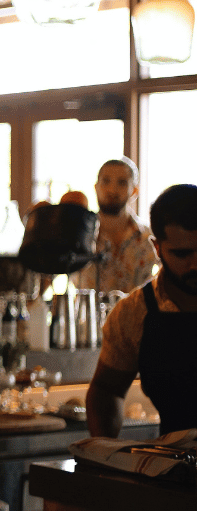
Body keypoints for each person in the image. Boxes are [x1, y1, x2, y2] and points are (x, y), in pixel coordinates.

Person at [86, 184, 197, 438]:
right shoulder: (133, 313)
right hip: (176, 465)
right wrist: (105, 453)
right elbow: (107, 390)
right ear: (157, 249)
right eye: (182, 254)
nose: (195, 264)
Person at [73, 157, 159, 294]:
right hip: (87, 315)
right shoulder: (78, 235)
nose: (112, 190)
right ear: (96, 187)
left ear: (134, 191)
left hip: (138, 314)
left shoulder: (148, 238)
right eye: (106, 181)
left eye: (122, 183)